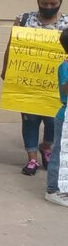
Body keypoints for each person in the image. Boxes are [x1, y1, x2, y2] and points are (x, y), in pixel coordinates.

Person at [3, 0, 68, 176]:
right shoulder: (24, 19)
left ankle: (46, 147)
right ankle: (31, 158)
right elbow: (11, 46)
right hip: (28, 82)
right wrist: (6, 69)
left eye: (53, 4)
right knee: (29, 120)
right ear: (38, 1)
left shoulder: (66, 23)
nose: (49, 7)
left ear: (60, 2)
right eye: (45, 3)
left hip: (54, 85)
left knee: (52, 121)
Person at [45, 29, 68, 208]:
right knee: (60, 152)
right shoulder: (64, 66)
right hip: (65, 115)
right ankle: (52, 190)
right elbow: (65, 90)